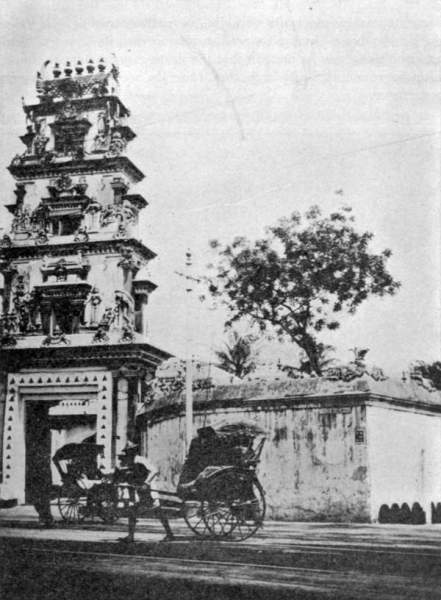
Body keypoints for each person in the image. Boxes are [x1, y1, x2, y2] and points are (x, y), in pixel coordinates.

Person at [115, 441, 174, 543]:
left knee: (157, 511)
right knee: (132, 511)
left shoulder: (141, 460)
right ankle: (130, 536)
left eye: (130, 451)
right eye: (127, 452)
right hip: (139, 490)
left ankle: (169, 534)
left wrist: (146, 483)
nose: (128, 453)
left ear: (134, 451)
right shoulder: (131, 462)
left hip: (148, 489)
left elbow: (154, 470)